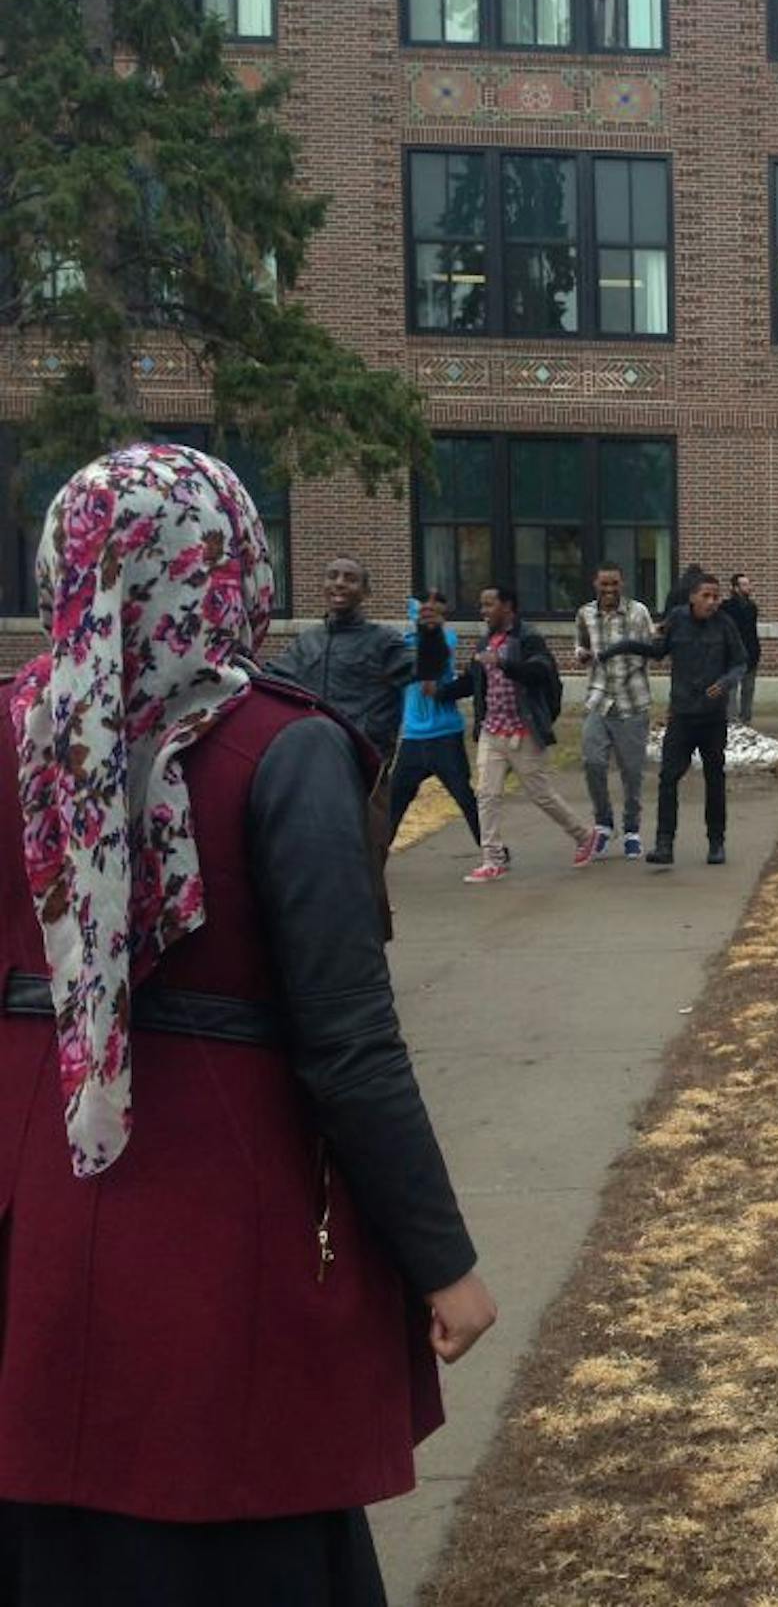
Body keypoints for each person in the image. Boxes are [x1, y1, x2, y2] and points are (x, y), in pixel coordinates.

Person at [0, 442, 495, 1602]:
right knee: (234, 1538)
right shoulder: (282, 747)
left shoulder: (21, 734)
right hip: (223, 1230)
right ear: (226, 565)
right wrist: (443, 1261)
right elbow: (348, 1039)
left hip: (31, 1224)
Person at [437, 586, 599, 883]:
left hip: (523, 730)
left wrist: (503, 663)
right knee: (487, 794)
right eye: (482, 605)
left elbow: (540, 672)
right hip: (492, 729)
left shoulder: (528, 638)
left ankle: (584, 836)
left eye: (489, 605)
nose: (483, 611)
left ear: (507, 606)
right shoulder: (485, 642)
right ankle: (492, 859)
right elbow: (472, 681)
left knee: (541, 794)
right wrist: (441, 692)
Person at [601, 571, 749, 868]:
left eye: (716, 596)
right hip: (682, 715)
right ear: (692, 597)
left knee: (714, 779)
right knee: (668, 778)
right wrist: (621, 647)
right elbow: (658, 651)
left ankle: (716, 842)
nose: (712, 602)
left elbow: (740, 662)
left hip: (712, 718)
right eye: (706, 596)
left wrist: (725, 683)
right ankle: (664, 844)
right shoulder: (678, 620)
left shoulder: (725, 624)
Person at [266, 556, 414, 762]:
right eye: (332, 576)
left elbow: (426, 670)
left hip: (361, 757)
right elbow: (268, 679)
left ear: (366, 592)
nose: (339, 583)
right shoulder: (306, 642)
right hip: (312, 753)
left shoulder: (383, 641)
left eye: (350, 579)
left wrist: (432, 636)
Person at [385, 592, 482, 850]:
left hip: (445, 735)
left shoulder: (445, 639)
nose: (430, 619)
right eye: (424, 613)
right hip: (413, 737)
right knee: (395, 801)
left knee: (464, 797)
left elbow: (433, 657)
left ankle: (492, 851)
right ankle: (373, 857)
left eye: (435, 614)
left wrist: (426, 632)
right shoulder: (403, 645)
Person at [572, 563, 655, 859]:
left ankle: (632, 829)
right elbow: (580, 645)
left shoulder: (638, 612)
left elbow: (651, 649)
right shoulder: (585, 614)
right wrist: (582, 655)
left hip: (632, 702)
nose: (609, 590)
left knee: (632, 771)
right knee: (593, 762)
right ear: (595, 583)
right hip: (598, 700)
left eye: (614, 584)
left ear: (622, 584)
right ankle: (604, 823)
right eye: (604, 584)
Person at [721, 573, 762, 724]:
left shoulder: (752, 607)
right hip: (732, 653)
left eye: (748, 584)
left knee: (748, 688)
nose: (748, 587)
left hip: (750, 652)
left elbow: (752, 631)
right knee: (731, 688)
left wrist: (756, 651)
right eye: (744, 584)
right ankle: (731, 720)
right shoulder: (726, 607)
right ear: (735, 588)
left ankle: (746, 718)